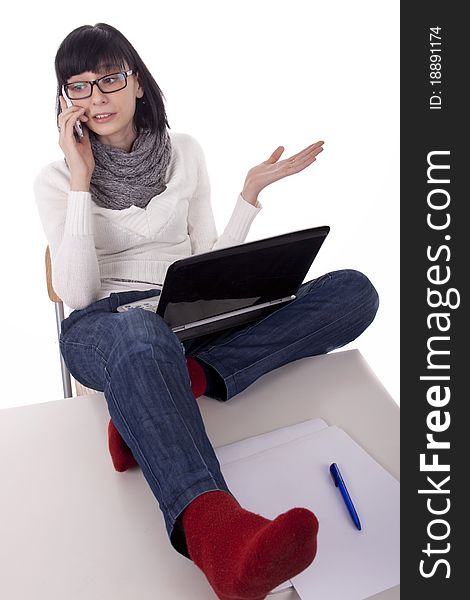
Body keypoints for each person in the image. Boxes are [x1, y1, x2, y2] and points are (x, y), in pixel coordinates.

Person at [34, 22, 379, 600]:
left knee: (353, 291)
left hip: (190, 320)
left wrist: (249, 195)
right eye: (79, 87)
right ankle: (218, 533)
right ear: (64, 101)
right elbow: (78, 293)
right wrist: (80, 183)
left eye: (110, 79)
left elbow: (207, 262)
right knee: (142, 333)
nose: (97, 98)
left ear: (137, 82)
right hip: (108, 327)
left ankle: (154, 395)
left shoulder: (186, 153)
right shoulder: (56, 180)